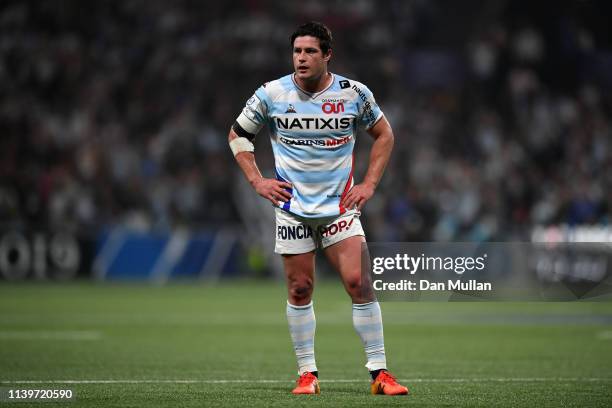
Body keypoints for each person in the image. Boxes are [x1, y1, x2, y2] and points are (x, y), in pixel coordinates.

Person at [228, 21, 409, 396]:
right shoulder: (271, 94)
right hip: (292, 208)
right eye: (297, 51)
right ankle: (307, 374)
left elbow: (384, 134)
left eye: (310, 51)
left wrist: (370, 184)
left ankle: (380, 373)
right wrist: (257, 180)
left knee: (360, 283)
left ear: (327, 55)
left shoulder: (354, 94)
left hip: (339, 208)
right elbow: (238, 135)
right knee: (299, 288)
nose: (301, 58)